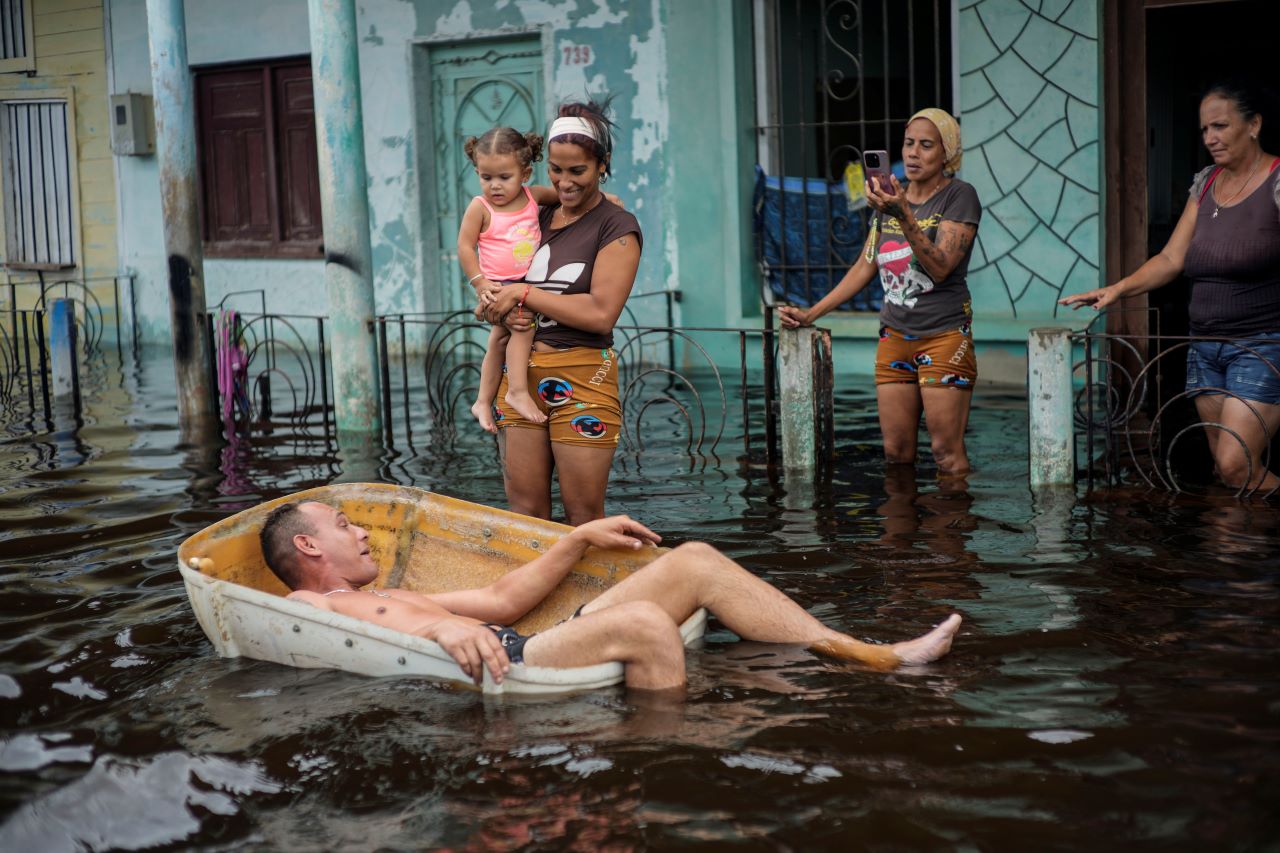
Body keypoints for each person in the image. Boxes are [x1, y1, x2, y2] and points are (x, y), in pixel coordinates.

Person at [260, 500, 963, 690]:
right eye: (346, 525)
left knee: (697, 561)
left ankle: (868, 652)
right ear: (310, 549)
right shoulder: (311, 606)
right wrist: (441, 633)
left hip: (523, 638)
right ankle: (666, 755)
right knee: (649, 623)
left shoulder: (403, 590)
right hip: (518, 665)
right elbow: (291, 625)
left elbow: (505, 598)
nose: (364, 534)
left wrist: (579, 538)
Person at [1060, 81, 1280, 493]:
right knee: (1225, 471)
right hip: (1205, 348)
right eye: (1204, 129)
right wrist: (1117, 289)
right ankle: (1233, 553)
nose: (1210, 138)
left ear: (1254, 125)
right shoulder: (1206, 184)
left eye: (1220, 126)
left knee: (1236, 466)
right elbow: (1170, 259)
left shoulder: (1276, 181)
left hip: (1263, 346)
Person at [777, 109, 982, 477]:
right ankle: (900, 534)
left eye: (926, 145)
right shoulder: (889, 200)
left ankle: (949, 533)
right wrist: (811, 314)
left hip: (944, 337)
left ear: (947, 154)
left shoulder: (959, 196)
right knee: (896, 452)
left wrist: (903, 213)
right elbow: (864, 265)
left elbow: (940, 267)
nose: (914, 153)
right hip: (894, 338)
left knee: (945, 453)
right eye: (908, 144)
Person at [480, 97, 641, 525]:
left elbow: (600, 314)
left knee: (584, 518)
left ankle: (597, 596)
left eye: (577, 171)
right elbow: (499, 289)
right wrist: (498, 308)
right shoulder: (537, 216)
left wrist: (524, 294)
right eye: (556, 169)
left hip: (584, 376)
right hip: (520, 379)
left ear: (602, 165)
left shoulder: (616, 227)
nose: (565, 181)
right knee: (525, 515)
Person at [458, 127, 550, 432]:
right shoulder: (480, 207)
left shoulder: (532, 196)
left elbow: (566, 198)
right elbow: (464, 246)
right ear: (477, 172)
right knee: (522, 329)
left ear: (525, 173)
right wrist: (480, 283)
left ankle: (483, 400)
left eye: (504, 177)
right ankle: (517, 392)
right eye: (486, 177)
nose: (494, 186)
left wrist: (604, 199)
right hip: (497, 286)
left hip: (525, 283)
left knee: (498, 341)